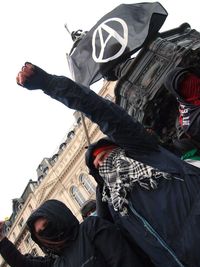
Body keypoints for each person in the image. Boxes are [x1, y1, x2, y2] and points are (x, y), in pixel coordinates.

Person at [17, 62, 200, 267]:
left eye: (103, 155)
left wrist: (48, 83)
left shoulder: (146, 154)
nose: (100, 162)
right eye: (97, 165)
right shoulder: (118, 209)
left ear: (121, 148)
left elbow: (98, 109)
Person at [0, 199, 149, 267]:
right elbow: (22, 264)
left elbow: (125, 261)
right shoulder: (57, 262)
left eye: (47, 225)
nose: (46, 232)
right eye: (41, 233)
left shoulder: (91, 228)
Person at [164, 66, 200, 167]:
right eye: (182, 83)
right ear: (178, 92)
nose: (190, 82)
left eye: (188, 76)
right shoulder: (191, 121)